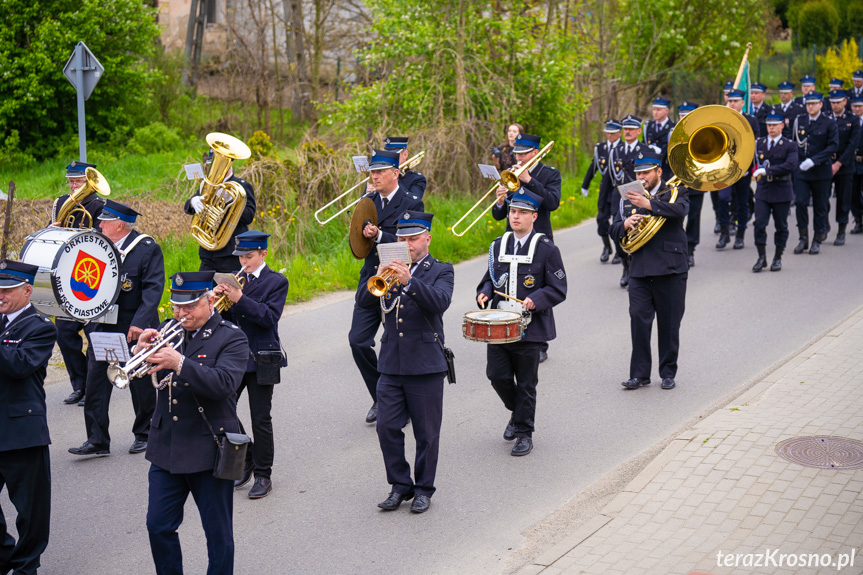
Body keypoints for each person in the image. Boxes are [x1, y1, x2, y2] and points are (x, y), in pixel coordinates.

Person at [138, 271, 249, 575]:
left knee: (218, 535)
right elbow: (151, 380)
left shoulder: (232, 337)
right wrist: (140, 353)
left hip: (208, 448)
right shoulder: (168, 330)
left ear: (210, 300)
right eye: (175, 307)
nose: (181, 314)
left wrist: (181, 363)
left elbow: (225, 384)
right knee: (158, 525)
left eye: (189, 307)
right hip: (167, 447)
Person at [356, 211, 453, 514]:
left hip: (425, 365)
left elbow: (439, 302)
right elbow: (362, 300)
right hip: (392, 364)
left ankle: (424, 488)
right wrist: (377, 269)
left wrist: (409, 281)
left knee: (426, 433)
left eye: (413, 238)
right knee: (386, 427)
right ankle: (400, 485)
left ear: (427, 238)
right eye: (401, 238)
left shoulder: (441, 270)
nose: (407, 244)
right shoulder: (384, 268)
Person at [69, 200, 165, 456]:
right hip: (102, 326)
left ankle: (145, 433)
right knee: (96, 383)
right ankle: (97, 440)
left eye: (105, 221)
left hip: (134, 327)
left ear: (120, 224)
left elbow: (153, 289)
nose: (99, 224)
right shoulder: (96, 246)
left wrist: (140, 323)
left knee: (140, 383)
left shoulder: (146, 248)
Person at [477, 190, 567, 457]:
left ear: (534, 217)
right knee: (496, 376)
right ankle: (518, 414)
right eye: (513, 212)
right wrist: (484, 292)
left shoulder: (547, 248)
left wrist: (535, 300)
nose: (516, 217)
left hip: (530, 327)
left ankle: (524, 433)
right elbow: (490, 278)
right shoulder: (498, 245)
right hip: (499, 326)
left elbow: (558, 287)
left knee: (526, 382)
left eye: (522, 213)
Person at [349, 149, 423, 424]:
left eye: (380, 171)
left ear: (395, 173)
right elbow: (356, 245)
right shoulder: (367, 201)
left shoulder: (412, 202)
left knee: (401, 346)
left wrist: (380, 234)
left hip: (400, 280)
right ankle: (382, 397)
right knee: (357, 341)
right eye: (372, 171)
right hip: (372, 278)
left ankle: (403, 402)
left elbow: (410, 244)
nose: (374, 176)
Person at [215, 231, 289, 500]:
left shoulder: (276, 281)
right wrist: (214, 302)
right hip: (233, 359)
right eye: (240, 257)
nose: (244, 262)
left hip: (262, 356)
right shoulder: (235, 281)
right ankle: (247, 458)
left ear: (263, 254)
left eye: (249, 256)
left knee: (260, 418)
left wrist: (239, 299)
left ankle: (263, 475)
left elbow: (269, 317)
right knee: (221, 409)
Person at [610, 150, 688, 391]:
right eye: (638, 173)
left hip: (671, 267)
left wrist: (649, 204)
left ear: (658, 172)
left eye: (646, 172)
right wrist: (624, 224)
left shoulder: (676, 190)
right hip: (640, 268)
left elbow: (680, 211)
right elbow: (612, 227)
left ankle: (667, 372)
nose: (641, 177)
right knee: (639, 321)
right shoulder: (627, 196)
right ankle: (639, 374)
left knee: (669, 323)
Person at [0, 261, 57, 575]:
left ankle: (26, 565)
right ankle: (6, 554)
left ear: (27, 290)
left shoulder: (41, 326)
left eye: (8, 289)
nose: (1, 295)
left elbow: (20, 364)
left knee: (30, 510)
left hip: (22, 429)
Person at [53, 161, 105, 407]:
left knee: (94, 334)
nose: (74, 186)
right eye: (71, 181)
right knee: (64, 333)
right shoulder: (60, 202)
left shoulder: (100, 206)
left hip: (91, 276)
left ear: (88, 182)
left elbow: (102, 241)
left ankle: (94, 386)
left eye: (78, 182)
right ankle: (79, 385)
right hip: (66, 276)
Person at [606, 114, 658, 287]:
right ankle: (625, 265)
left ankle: (640, 266)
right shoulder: (615, 150)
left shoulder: (646, 151)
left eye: (630, 129)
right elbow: (612, 176)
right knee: (619, 230)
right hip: (620, 196)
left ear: (638, 130)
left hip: (641, 195)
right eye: (625, 128)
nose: (627, 132)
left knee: (640, 229)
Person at [184, 152, 257, 273]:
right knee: (204, 290)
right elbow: (188, 207)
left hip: (231, 253)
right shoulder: (207, 185)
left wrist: (231, 204)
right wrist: (192, 201)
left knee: (230, 290)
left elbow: (249, 216)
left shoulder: (241, 186)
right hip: (208, 253)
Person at [491, 132, 561, 240]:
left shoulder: (550, 173)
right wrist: (500, 202)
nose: (518, 158)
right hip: (512, 238)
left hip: (539, 237)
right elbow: (498, 216)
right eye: (516, 154)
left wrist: (529, 180)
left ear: (535, 153)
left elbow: (553, 203)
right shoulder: (511, 173)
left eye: (523, 154)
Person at [793, 92, 839, 255]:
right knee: (800, 203)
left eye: (813, 103)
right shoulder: (800, 120)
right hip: (802, 171)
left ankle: (817, 239)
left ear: (821, 104)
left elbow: (833, 146)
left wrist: (814, 160)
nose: (810, 107)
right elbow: (794, 143)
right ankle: (803, 238)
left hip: (820, 171)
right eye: (808, 104)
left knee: (820, 206)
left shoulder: (828, 122)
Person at [751, 114, 798, 272]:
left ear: (782, 126)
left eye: (774, 125)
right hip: (763, 190)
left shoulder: (789, 145)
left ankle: (778, 257)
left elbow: (790, 165)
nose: (771, 128)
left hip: (781, 190)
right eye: (768, 125)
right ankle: (761, 257)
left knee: (781, 226)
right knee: (759, 224)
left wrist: (768, 170)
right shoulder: (759, 143)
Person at [716, 89, 759, 250]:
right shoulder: (721, 119)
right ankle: (724, 233)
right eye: (730, 101)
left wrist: (751, 167)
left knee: (742, 202)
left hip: (743, 169)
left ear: (742, 102)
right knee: (723, 198)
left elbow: (755, 145)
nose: (732, 103)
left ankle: (740, 235)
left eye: (736, 101)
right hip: (725, 168)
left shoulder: (751, 120)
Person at [582, 119, 622, 263]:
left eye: (613, 132)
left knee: (618, 221)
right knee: (601, 219)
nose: (610, 135)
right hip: (605, 189)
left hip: (618, 189)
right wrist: (585, 184)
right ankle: (606, 247)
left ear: (619, 132)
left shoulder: (623, 147)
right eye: (608, 132)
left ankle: (619, 250)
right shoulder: (601, 147)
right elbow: (594, 166)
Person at [827, 91, 861, 246]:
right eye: (832, 102)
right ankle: (823, 225)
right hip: (826, 164)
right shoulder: (826, 118)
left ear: (845, 102)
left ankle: (841, 230)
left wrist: (839, 163)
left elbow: (852, 144)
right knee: (821, 197)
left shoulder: (852, 120)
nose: (835, 105)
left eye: (838, 102)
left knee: (843, 199)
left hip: (845, 165)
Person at [677, 101, 703, 267]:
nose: (684, 118)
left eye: (687, 115)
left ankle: (691, 249)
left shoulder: (702, 133)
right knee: (676, 217)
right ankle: (678, 250)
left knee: (693, 217)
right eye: (681, 115)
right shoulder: (673, 133)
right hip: (676, 184)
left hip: (696, 182)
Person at [643, 97, 675, 175]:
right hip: (651, 168)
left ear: (666, 110)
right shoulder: (648, 126)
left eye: (658, 110)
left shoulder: (673, 127)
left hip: (666, 169)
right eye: (654, 109)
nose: (655, 112)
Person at [851, 97, 863, 234]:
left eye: (860, 106)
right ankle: (858, 219)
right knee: (853, 194)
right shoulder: (850, 122)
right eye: (855, 107)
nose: (858, 109)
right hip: (853, 162)